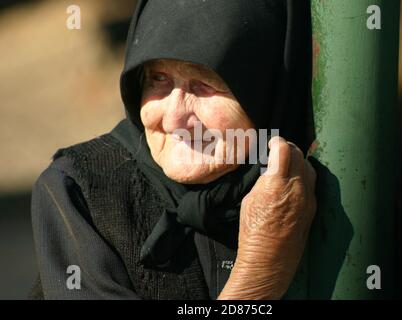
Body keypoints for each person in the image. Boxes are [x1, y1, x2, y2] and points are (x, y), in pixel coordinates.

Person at [29, 0, 316, 300]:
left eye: (204, 84)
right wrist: (258, 276)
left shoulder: (332, 184)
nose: (173, 118)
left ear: (267, 90)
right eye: (158, 79)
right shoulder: (82, 193)